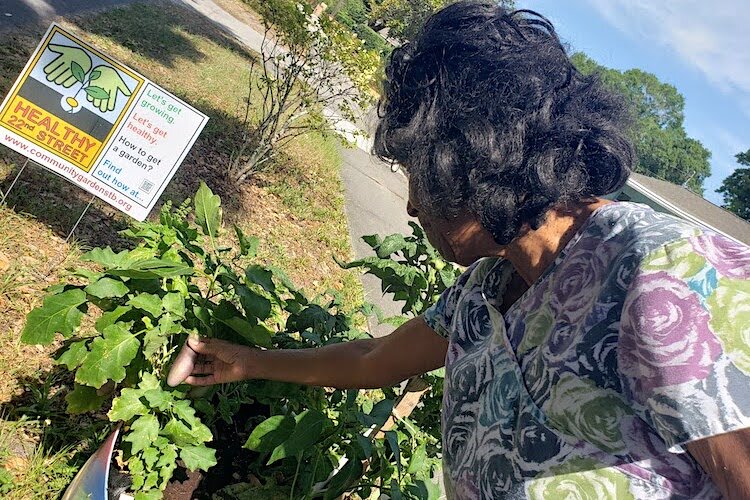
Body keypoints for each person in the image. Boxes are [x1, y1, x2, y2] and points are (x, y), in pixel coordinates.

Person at [185, 2, 750, 498]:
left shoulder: (661, 278)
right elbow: (373, 360)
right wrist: (250, 361)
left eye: (418, 173)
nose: (410, 206)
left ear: (478, 164)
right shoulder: (489, 287)